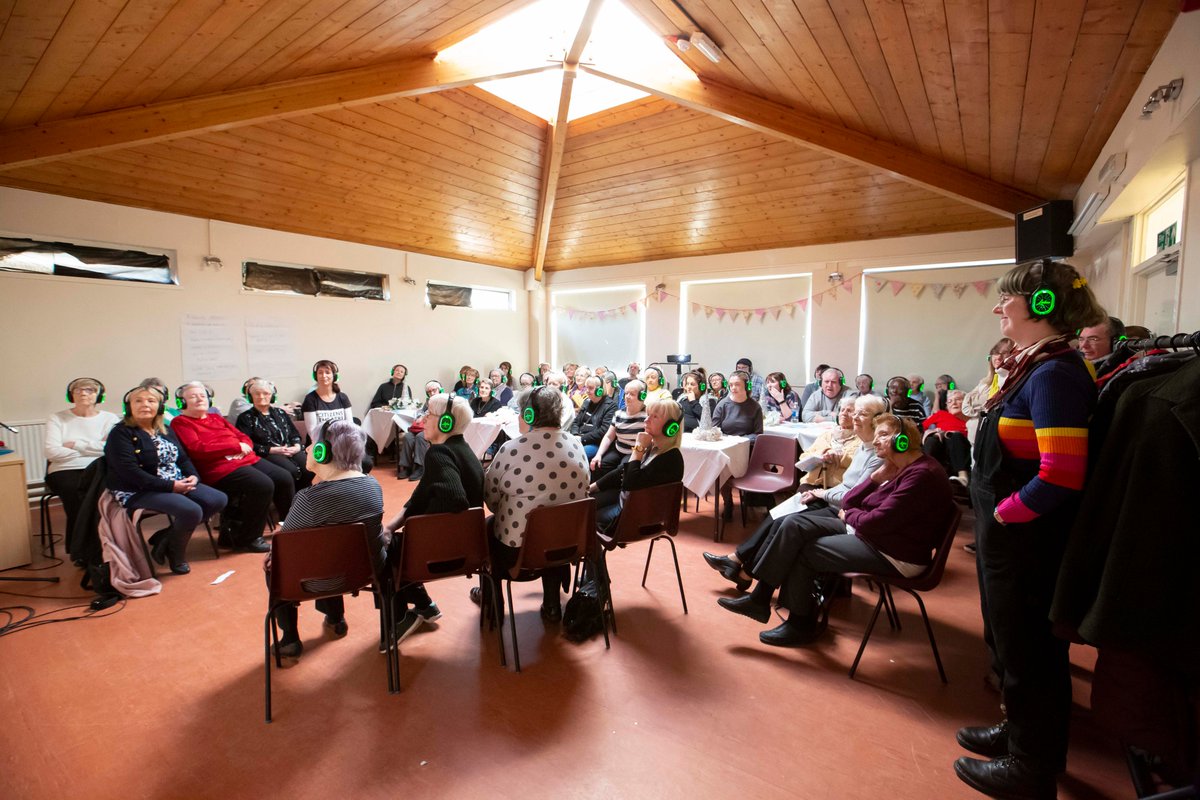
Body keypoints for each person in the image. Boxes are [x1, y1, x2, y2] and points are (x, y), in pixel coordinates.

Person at [955, 259, 1106, 799]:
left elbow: (1061, 476)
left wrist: (1001, 515)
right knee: (1010, 644)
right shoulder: (1030, 365)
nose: (998, 308)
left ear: (1041, 306)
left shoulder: (1056, 374)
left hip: (1026, 540)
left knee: (1031, 653)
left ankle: (1031, 767)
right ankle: (1019, 732)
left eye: (1007, 300)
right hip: (1010, 539)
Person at [714, 414, 954, 648]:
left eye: (883, 435)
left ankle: (800, 623)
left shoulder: (920, 475)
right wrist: (873, 479)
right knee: (794, 524)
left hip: (895, 553)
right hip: (878, 537)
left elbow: (873, 521)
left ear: (902, 441)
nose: (876, 440)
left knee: (806, 552)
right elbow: (851, 500)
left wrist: (850, 515)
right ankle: (761, 598)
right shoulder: (898, 467)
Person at [704, 394, 887, 589]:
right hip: (815, 485)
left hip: (831, 492)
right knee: (779, 514)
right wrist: (820, 455)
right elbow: (806, 456)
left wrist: (838, 461)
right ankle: (738, 560)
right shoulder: (829, 434)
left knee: (788, 520)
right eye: (845, 410)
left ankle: (743, 569)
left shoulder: (863, 444)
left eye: (854, 411)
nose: (848, 414)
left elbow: (852, 485)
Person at [268, 421, 383, 660]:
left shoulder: (308, 500)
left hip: (312, 583)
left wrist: (272, 554)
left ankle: (289, 638)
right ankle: (335, 617)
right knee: (332, 550)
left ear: (323, 452)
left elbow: (287, 546)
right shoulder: (373, 486)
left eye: (312, 445)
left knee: (275, 564)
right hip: (363, 574)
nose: (308, 449)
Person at [478, 386, 590, 622]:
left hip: (518, 552)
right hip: (568, 545)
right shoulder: (577, 445)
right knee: (550, 527)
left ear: (529, 416)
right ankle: (551, 604)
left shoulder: (510, 449)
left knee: (488, 528)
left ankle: (492, 604)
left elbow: (491, 500)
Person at [381, 394, 483, 643]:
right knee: (390, 540)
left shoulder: (438, 455)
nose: (423, 419)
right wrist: (393, 525)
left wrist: (419, 525)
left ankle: (397, 623)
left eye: (429, 414)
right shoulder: (461, 450)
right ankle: (425, 606)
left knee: (383, 553)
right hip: (470, 549)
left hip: (443, 553)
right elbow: (422, 493)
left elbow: (454, 499)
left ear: (446, 422)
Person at [104, 386, 227, 574]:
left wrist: (193, 476)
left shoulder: (165, 429)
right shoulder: (120, 433)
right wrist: (171, 486)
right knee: (191, 510)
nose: (145, 405)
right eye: (138, 401)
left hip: (174, 482)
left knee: (218, 499)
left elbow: (183, 458)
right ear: (129, 406)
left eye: (151, 401)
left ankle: (165, 538)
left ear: (160, 407)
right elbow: (130, 472)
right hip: (138, 489)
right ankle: (176, 555)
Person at [171, 381, 294, 553]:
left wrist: (243, 445)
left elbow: (243, 436)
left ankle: (290, 525)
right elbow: (197, 448)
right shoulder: (181, 422)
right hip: (218, 468)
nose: (200, 399)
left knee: (284, 477)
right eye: (193, 397)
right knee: (263, 485)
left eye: (203, 396)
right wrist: (234, 447)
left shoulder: (215, 418)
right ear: (182, 403)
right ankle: (249, 538)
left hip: (245, 458)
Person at [591, 398, 685, 532]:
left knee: (587, 515)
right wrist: (592, 487)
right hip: (629, 503)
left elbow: (630, 482)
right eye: (648, 415)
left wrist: (639, 448)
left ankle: (595, 553)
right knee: (589, 501)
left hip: (638, 518)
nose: (646, 420)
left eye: (655, 417)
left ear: (671, 427)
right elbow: (622, 471)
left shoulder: (671, 458)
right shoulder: (653, 447)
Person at [45, 377, 120, 538]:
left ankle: (102, 545)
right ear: (70, 395)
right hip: (65, 469)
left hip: (99, 467)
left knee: (102, 497)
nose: (83, 394)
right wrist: (95, 446)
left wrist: (74, 445)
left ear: (100, 396)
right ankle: (81, 548)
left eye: (90, 390)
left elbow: (111, 449)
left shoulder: (110, 419)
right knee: (76, 496)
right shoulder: (57, 418)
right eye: (78, 390)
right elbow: (51, 452)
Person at [236, 379, 311, 490]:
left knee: (310, 466)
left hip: (290, 449)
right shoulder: (245, 418)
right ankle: (292, 503)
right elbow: (248, 444)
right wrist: (272, 450)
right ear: (250, 397)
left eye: (266, 393)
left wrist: (297, 446)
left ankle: (305, 499)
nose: (261, 396)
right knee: (291, 470)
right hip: (267, 453)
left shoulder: (280, 413)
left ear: (272, 396)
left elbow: (294, 433)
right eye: (257, 393)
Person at [795, 396, 861, 491]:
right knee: (798, 502)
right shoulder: (826, 435)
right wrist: (823, 453)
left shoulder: (860, 439)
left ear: (857, 416)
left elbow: (858, 466)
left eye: (849, 411)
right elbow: (804, 457)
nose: (844, 413)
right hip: (812, 482)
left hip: (837, 488)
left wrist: (840, 456)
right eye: (842, 410)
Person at [922, 389, 971, 486]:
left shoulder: (970, 420)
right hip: (941, 443)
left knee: (955, 436)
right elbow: (922, 427)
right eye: (950, 401)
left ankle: (963, 476)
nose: (954, 403)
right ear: (946, 406)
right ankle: (922, 473)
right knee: (933, 439)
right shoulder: (941, 414)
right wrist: (931, 432)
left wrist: (953, 433)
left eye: (958, 399)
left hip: (959, 445)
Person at [397, 380, 443, 481]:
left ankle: (420, 467)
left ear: (440, 390)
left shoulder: (444, 401)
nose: (432, 393)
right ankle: (406, 467)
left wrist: (427, 417)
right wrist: (420, 417)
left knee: (421, 437)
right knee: (408, 437)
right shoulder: (428, 401)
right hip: (424, 426)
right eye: (429, 391)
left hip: (436, 428)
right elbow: (421, 412)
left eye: (434, 390)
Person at [962, 338, 1014, 419]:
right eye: (996, 353)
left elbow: (989, 407)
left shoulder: (1011, 382)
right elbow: (965, 407)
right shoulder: (984, 381)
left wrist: (975, 401)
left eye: (1004, 353)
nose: (999, 357)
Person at [571, 376, 616, 459]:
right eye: (586, 388)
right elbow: (575, 422)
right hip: (579, 438)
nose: (587, 391)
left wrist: (582, 439)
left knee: (577, 456)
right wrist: (575, 435)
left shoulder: (611, 406)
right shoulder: (587, 402)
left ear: (600, 390)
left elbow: (604, 430)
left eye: (590, 388)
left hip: (595, 443)